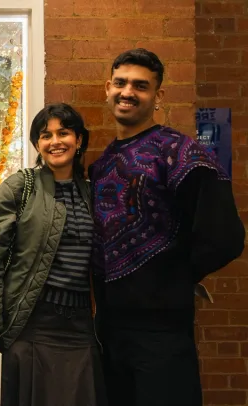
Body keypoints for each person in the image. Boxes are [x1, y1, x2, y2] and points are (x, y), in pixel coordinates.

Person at [90, 48, 245, 406]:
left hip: (161, 333)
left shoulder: (182, 154)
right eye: (121, 83)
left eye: (140, 86)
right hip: (109, 330)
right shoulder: (102, 163)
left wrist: (172, 278)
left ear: (158, 96)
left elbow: (226, 237)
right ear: (107, 89)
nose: (127, 92)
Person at [0, 103, 106, 406]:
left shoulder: (93, 192)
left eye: (64, 133)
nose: (55, 141)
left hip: (81, 329)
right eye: (46, 135)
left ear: (79, 140)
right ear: (38, 145)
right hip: (33, 326)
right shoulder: (20, 187)